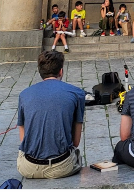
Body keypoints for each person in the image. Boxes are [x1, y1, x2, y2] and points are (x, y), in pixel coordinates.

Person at [16, 50, 84, 179]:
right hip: (62, 167)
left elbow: (23, 138)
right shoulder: (77, 93)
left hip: (29, 168)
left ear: (40, 72)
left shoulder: (24, 94)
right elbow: (75, 142)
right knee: (76, 155)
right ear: (61, 71)